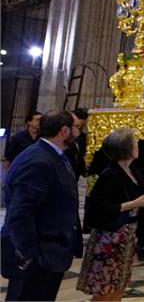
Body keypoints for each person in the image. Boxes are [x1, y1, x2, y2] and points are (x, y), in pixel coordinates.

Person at [1, 111, 82, 301]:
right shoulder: (40, 160)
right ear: (64, 131)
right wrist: (31, 255)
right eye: (77, 127)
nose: (79, 132)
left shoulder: (51, 155)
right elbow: (20, 213)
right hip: (36, 258)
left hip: (47, 254)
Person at [77, 128, 144, 300]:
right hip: (110, 237)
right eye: (134, 142)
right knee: (105, 288)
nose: (138, 145)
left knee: (119, 285)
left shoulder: (134, 171)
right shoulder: (110, 175)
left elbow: (138, 198)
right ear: (125, 148)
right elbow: (100, 209)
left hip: (126, 237)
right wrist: (136, 203)